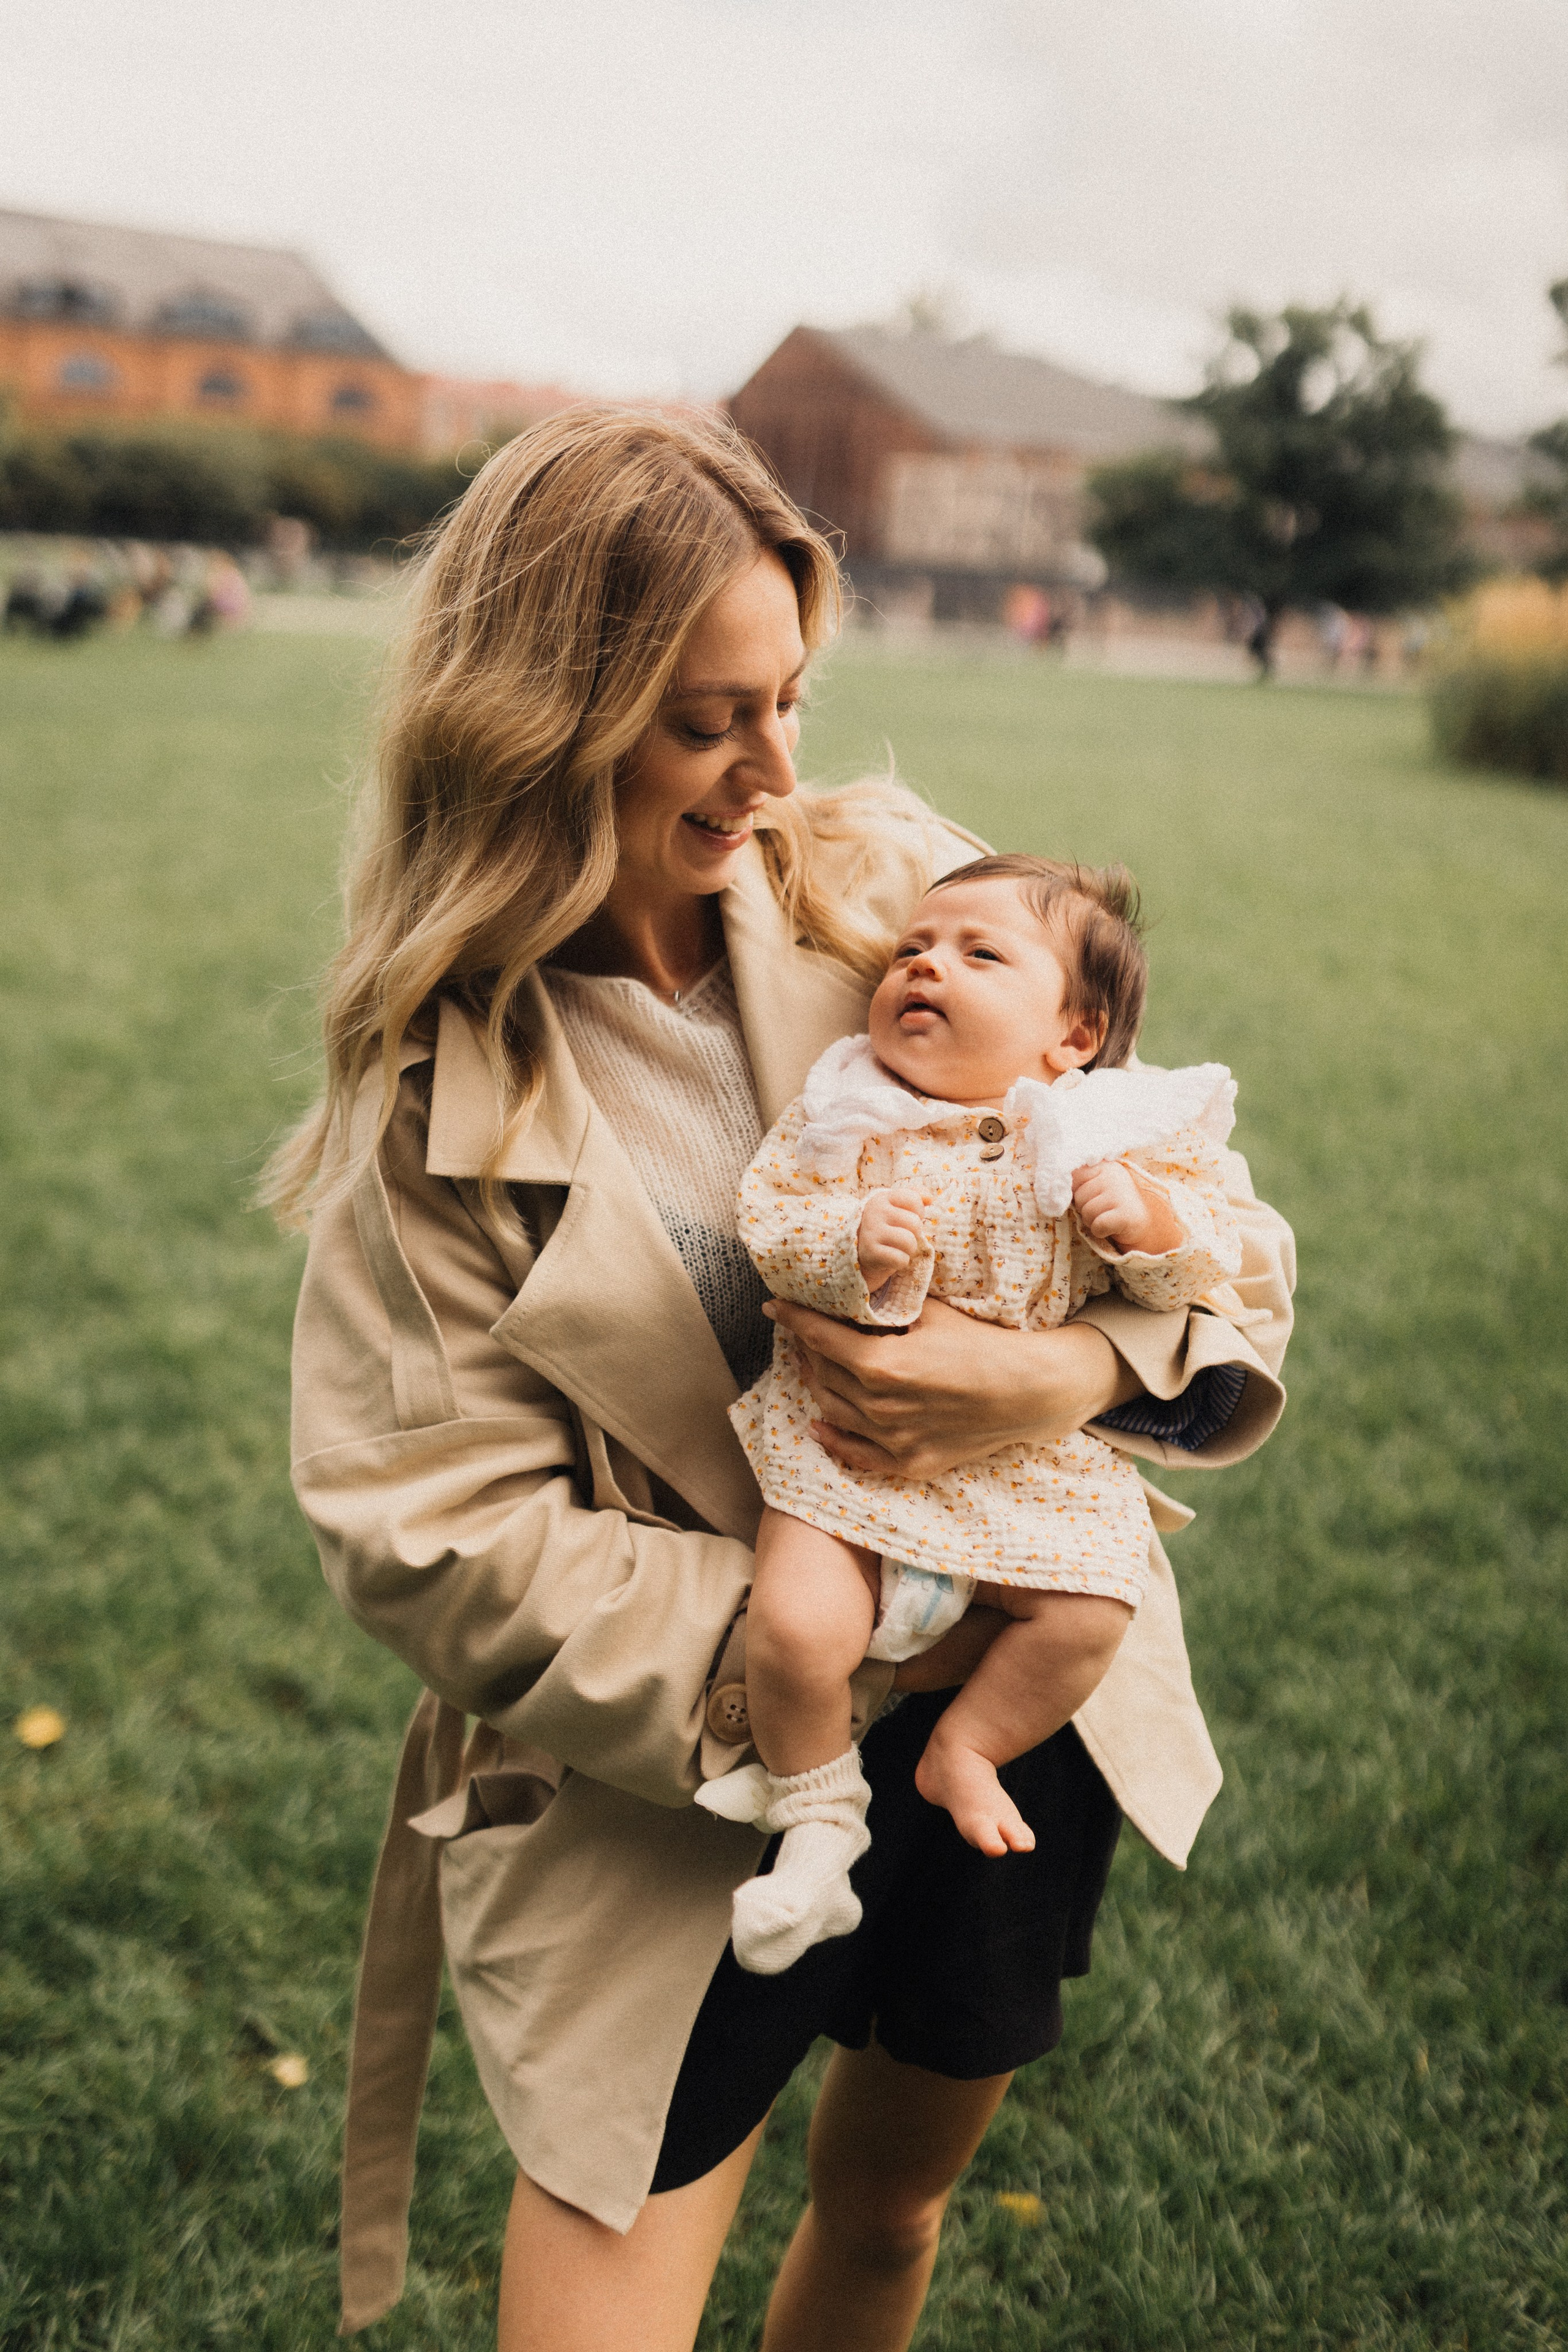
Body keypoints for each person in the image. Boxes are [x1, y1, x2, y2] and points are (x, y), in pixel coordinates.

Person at [271, 406, 1295, 2352]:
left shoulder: (891, 886)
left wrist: (1058, 1366)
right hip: (687, 1784)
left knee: (892, 2221)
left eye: (790, 701)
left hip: (1019, 1721)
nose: (772, 772)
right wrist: (840, 1644)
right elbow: (428, 1535)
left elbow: (1206, 1219)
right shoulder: (436, 1096)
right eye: (703, 719)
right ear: (544, 725)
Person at [707, 854, 1243, 1972]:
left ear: (1075, 1036)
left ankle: (970, 1746)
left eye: (976, 954)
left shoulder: (1113, 1128)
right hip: (845, 1457)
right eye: (911, 949)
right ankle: (817, 1817)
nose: (923, 965)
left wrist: (1141, 1221)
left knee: (1097, 1604)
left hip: (1025, 1470)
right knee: (798, 1625)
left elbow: (1205, 1262)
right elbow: (773, 1216)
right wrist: (848, 1245)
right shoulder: (845, 1111)